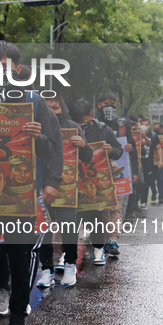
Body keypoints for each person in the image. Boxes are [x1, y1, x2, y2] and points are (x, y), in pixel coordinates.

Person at [0, 41, 63, 325]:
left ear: (17, 69)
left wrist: (40, 142)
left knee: (22, 265)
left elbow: (53, 147)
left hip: (22, 200)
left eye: (6, 65)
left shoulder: (34, 102)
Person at [39, 93, 92, 288]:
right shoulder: (35, 123)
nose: (52, 112)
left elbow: (87, 157)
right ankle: (46, 269)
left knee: (69, 226)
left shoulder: (72, 126)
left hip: (67, 189)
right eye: (48, 107)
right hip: (41, 186)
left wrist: (83, 145)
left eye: (56, 107)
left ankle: (70, 264)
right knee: (43, 229)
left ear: (62, 108)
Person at [69, 98, 122, 265]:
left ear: (90, 115)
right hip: (73, 180)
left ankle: (98, 249)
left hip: (96, 180)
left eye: (83, 121)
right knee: (71, 217)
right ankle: (68, 253)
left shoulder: (103, 130)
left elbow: (119, 150)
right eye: (76, 121)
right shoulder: (66, 128)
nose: (80, 125)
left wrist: (110, 150)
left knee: (95, 216)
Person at [95, 92, 137, 254]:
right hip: (98, 171)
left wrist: (134, 169)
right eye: (106, 103)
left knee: (116, 206)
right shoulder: (93, 123)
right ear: (99, 105)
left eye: (113, 103)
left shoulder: (123, 123)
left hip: (120, 170)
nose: (110, 106)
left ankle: (113, 238)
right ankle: (102, 238)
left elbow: (131, 146)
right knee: (103, 207)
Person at [138, 119, 163, 211]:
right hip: (138, 161)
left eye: (146, 125)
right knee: (138, 182)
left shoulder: (153, 135)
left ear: (149, 126)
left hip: (148, 162)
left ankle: (143, 202)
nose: (144, 126)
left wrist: (160, 160)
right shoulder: (136, 134)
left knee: (146, 182)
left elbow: (158, 148)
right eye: (142, 124)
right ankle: (135, 202)